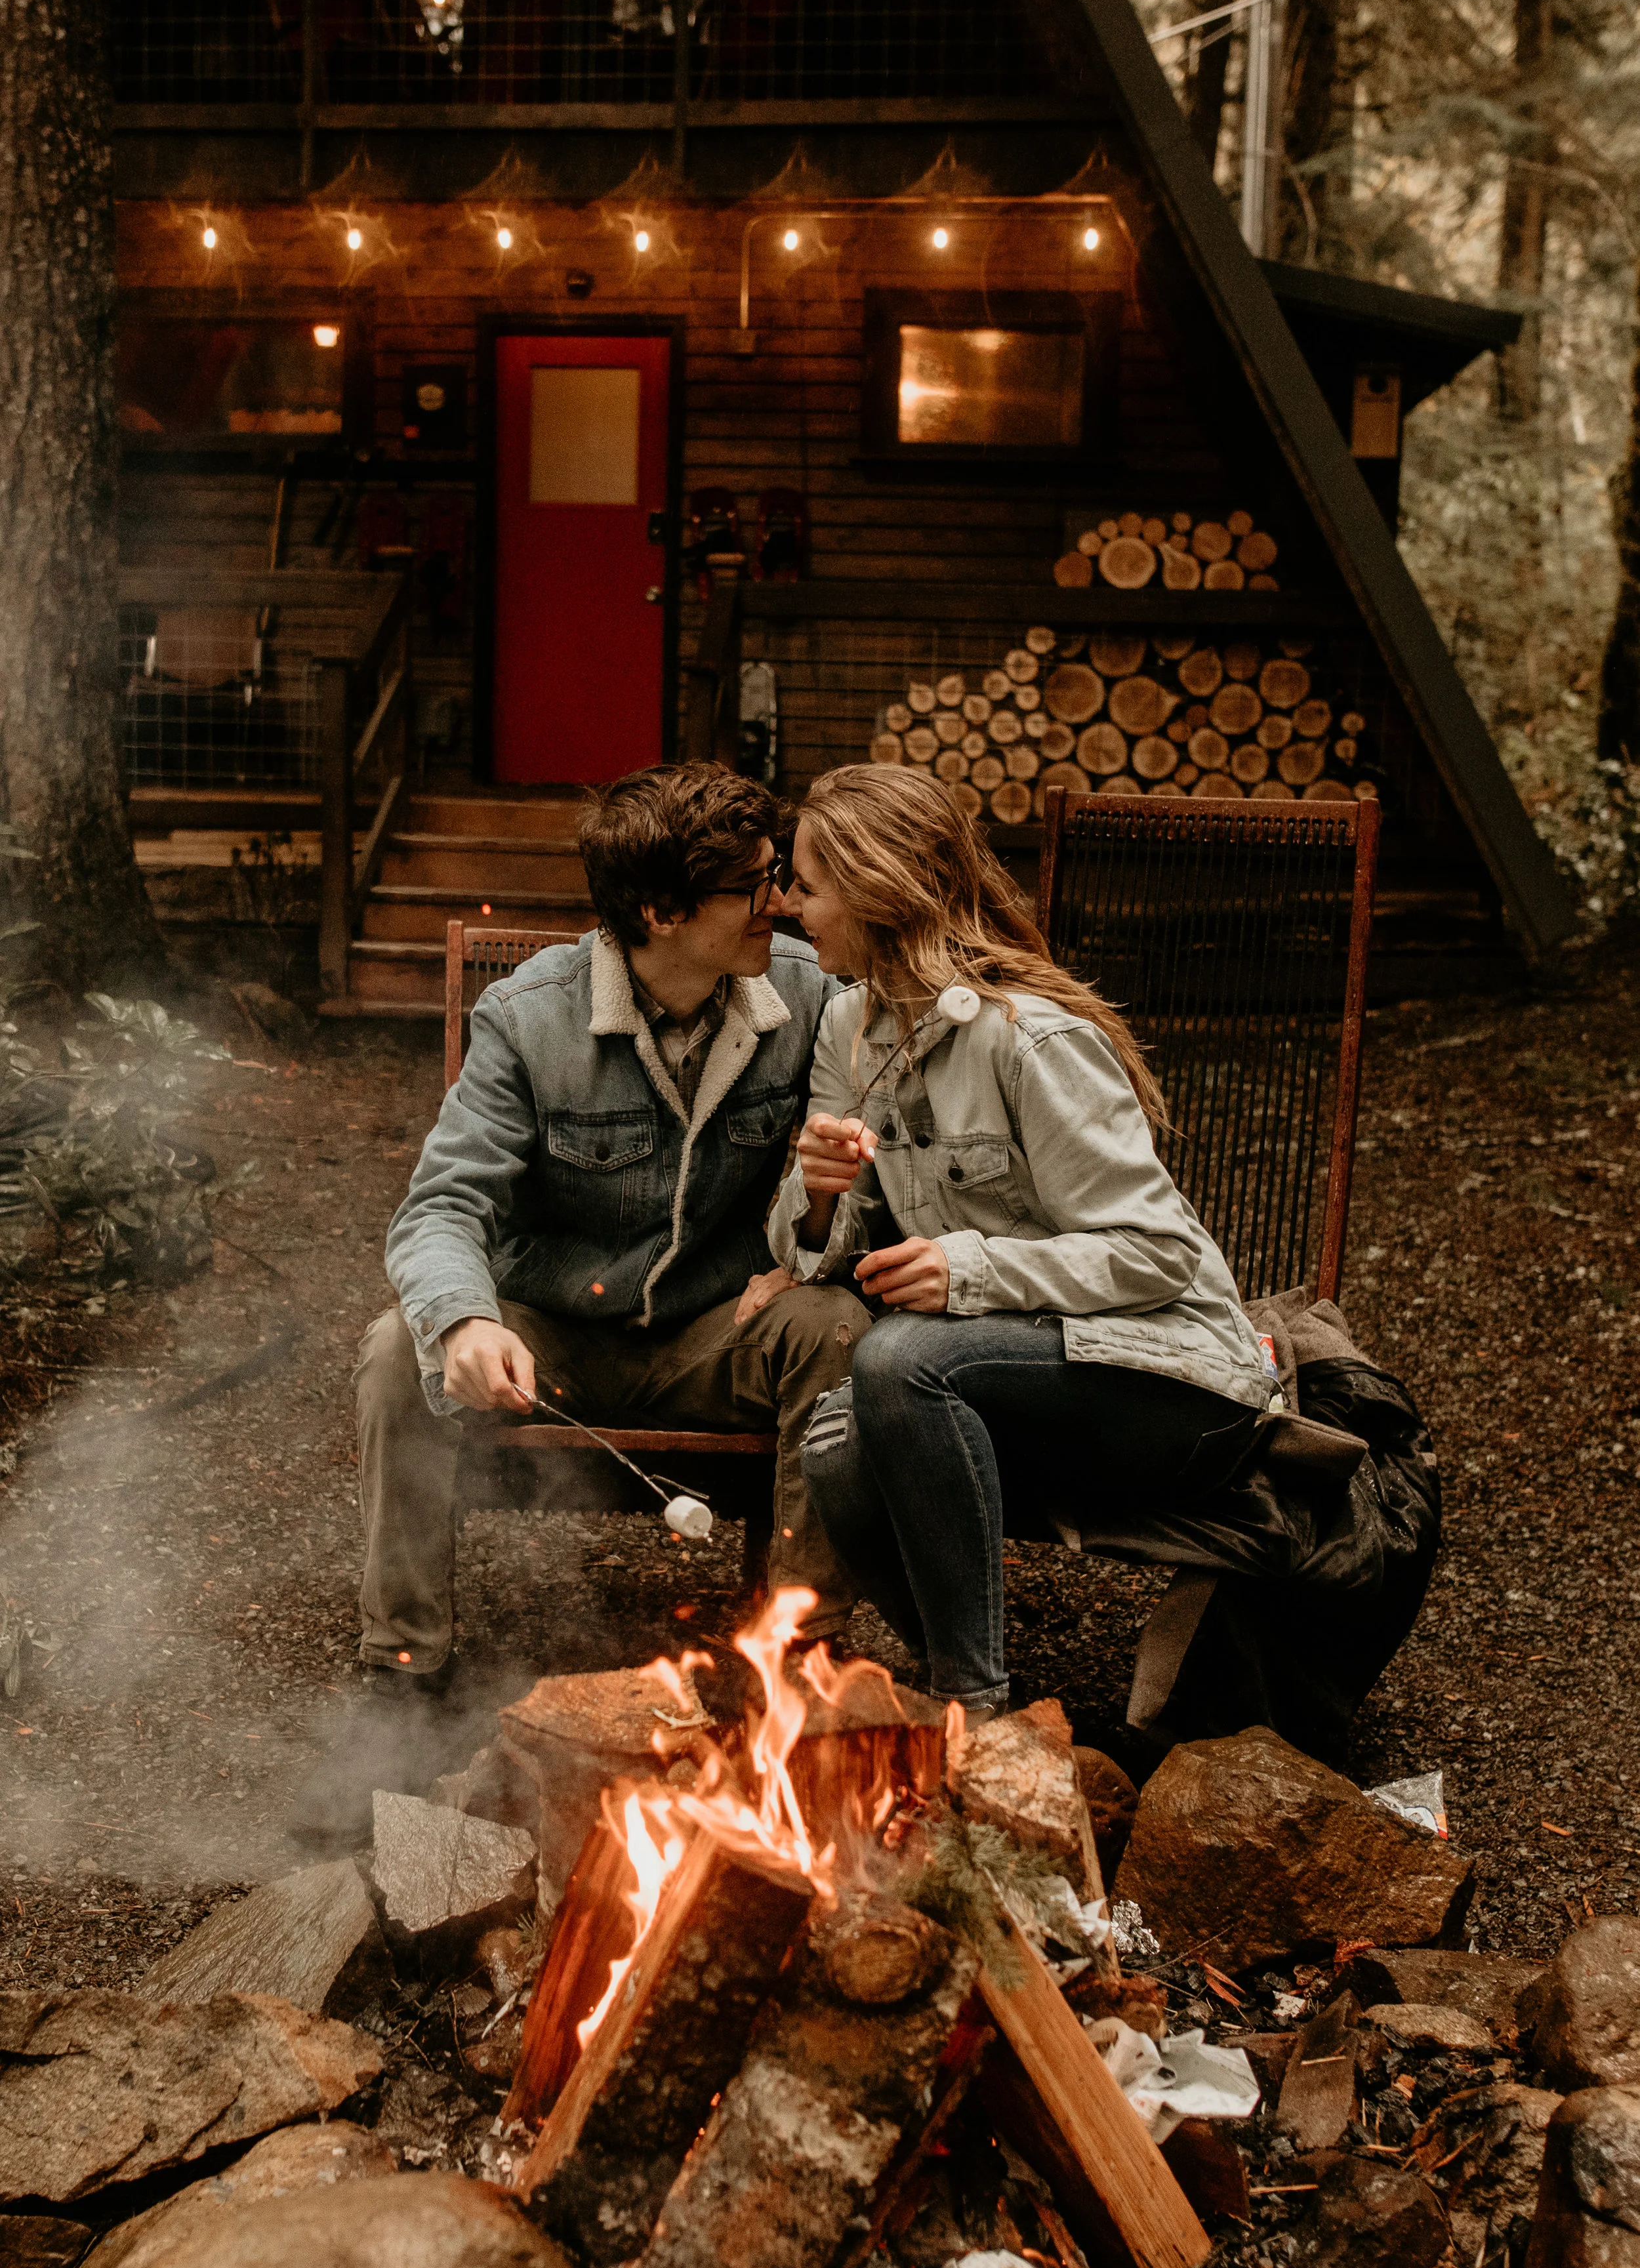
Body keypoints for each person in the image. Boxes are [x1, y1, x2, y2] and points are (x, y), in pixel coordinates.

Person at [298, 764, 868, 1840]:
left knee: (839, 1333)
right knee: (395, 1351)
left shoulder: (811, 999)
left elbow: (855, 1179)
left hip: (719, 1328)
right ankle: (405, 1676)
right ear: (660, 912)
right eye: (752, 887)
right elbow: (438, 1210)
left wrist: (822, 1216)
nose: (780, 903)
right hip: (554, 1338)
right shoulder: (530, 1018)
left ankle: (798, 1672)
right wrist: (467, 1322)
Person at [764, 763, 1281, 1725]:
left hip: (1177, 1390)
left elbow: (1156, 1253)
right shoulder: (852, 1020)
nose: (793, 906)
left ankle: (976, 1708)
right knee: (838, 1443)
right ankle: (959, 1680)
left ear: (878, 885)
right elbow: (814, 1252)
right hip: (1026, 1385)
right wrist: (820, 1200)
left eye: (809, 882)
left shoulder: (1029, 1038)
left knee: (900, 1360)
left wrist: (968, 1269)